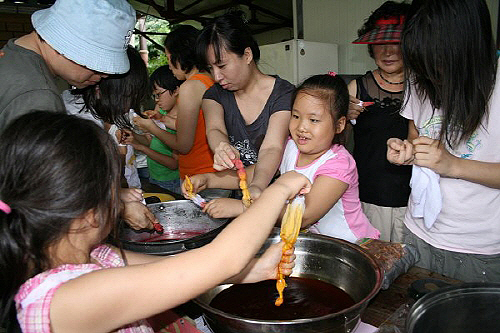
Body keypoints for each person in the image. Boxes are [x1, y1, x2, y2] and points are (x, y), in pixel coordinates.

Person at [0, 111, 310, 332]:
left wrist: (255, 270)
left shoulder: (93, 256)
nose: (119, 198)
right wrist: (279, 189)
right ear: (87, 213)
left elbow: (181, 269)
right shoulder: (67, 300)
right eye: (114, 189)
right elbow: (221, 260)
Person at [184, 74, 380, 243]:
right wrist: (208, 179)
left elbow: (305, 216)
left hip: (351, 244)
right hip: (316, 241)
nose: (301, 127)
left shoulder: (339, 164)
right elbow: (252, 174)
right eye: (296, 116)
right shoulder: (290, 147)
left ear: (339, 125)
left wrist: (243, 208)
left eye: (313, 120)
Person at [386, 0, 500, 282]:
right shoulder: (419, 78)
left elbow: (448, 163)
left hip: (478, 249)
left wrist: (453, 165)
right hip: (419, 231)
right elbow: (416, 134)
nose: (430, 76)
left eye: (437, 63)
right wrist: (408, 151)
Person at [196, 11, 295, 201]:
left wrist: (257, 187)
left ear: (247, 55)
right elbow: (215, 129)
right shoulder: (214, 95)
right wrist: (221, 147)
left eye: (222, 66)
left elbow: (272, 148)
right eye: (210, 69)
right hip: (239, 190)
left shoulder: (284, 94)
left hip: (281, 193)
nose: (216, 77)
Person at [0, 0, 136, 134]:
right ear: (65, 44)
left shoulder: (11, 56)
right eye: (98, 65)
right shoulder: (39, 100)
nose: (105, 74)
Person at [63, 46, 156, 230]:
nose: (129, 104)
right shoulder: (78, 122)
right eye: (127, 96)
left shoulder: (102, 112)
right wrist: (119, 201)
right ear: (100, 86)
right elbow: (79, 187)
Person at [348, 1, 411, 242]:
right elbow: (336, 146)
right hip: (370, 197)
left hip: (416, 202)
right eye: (380, 44)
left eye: (396, 43)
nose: (388, 52)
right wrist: (343, 117)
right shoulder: (356, 88)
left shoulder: (427, 89)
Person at [133, 25, 216, 181]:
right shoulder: (210, 79)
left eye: (169, 57)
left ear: (180, 55)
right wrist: (163, 119)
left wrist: (151, 127)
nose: (169, 64)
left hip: (200, 174)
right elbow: (199, 127)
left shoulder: (190, 87)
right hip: (215, 172)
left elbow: (183, 145)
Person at [125, 66, 183, 194]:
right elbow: (151, 141)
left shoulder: (182, 122)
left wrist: (142, 149)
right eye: (154, 96)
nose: (156, 100)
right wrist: (134, 137)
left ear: (176, 90)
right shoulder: (160, 111)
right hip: (154, 176)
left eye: (158, 95)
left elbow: (173, 164)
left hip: (170, 181)